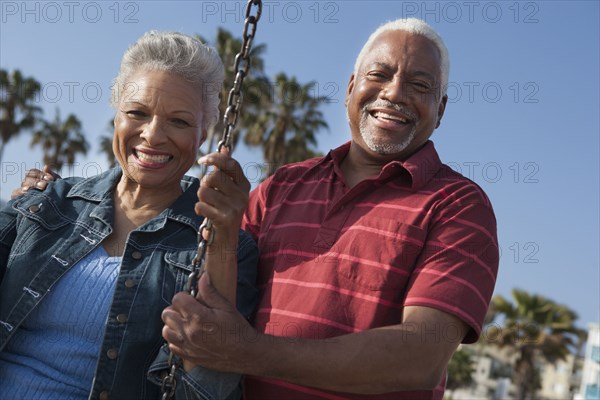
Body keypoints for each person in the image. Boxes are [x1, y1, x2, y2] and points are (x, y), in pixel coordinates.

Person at [16, 18, 499, 400]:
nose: (394, 93)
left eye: (420, 85)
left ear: (442, 107)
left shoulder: (457, 206)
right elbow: (207, 260)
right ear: (352, 85)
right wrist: (58, 205)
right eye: (380, 74)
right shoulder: (284, 186)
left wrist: (249, 352)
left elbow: (420, 356)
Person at [0, 31, 257, 400]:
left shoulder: (226, 246)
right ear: (116, 117)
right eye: (137, 112)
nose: (152, 135)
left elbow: (204, 390)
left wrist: (222, 238)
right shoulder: (49, 202)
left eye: (179, 121)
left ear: (203, 135)